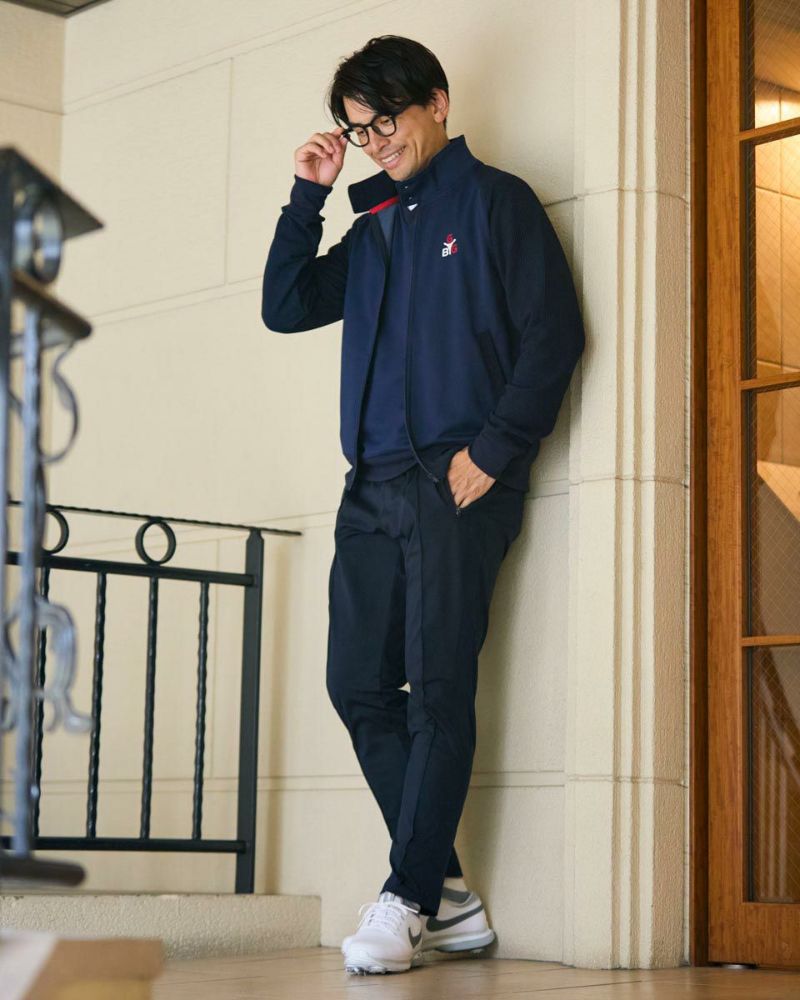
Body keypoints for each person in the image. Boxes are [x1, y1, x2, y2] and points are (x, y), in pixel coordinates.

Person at [261, 34, 585, 976]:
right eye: (357, 130)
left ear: (436, 103)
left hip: (454, 481)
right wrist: (308, 195)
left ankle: (406, 900)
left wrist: (493, 450)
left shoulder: (495, 203)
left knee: (438, 690)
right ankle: (448, 896)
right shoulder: (374, 227)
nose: (374, 142)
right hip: (370, 486)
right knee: (357, 686)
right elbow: (286, 305)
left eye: (384, 121)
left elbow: (555, 334)